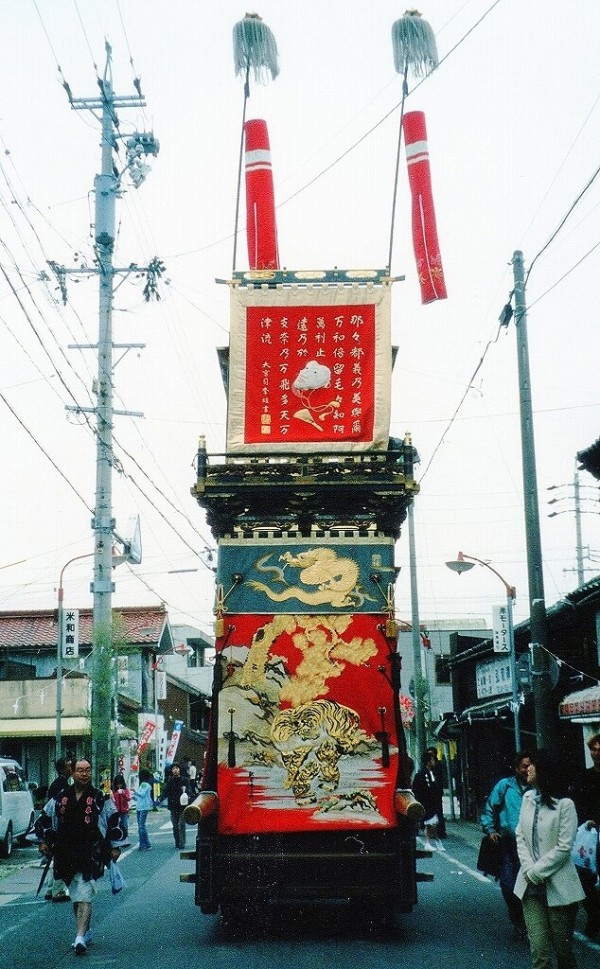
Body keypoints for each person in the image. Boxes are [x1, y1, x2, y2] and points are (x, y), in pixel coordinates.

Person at [35, 759, 124, 957]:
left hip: (90, 852)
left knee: (84, 892)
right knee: (76, 893)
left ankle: (79, 937)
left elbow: (113, 819)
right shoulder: (61, 797)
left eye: (87, 770)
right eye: (79, 770)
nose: (84, 774)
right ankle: (85, 931)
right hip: (65, 852)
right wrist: (44, 841)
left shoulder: (99, 797)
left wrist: (115, 846)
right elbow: (45, 818)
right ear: (73, 773)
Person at [515, 748, 585, 969]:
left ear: (544, 770)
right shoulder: (527, 798)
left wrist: (536, 871)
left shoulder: (565, 805)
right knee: (539, 952)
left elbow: (564, 848)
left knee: (563, 953)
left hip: (559, 887)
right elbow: (520, 835)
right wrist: (528, 869)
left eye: (532, 764)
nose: (528, 768)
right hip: (530, 887)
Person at [481, 750, 532, 936]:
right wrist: (490, 829)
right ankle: (517, 918)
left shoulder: (537, 788)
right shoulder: (505, 786)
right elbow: (489, 808)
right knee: (508, 884)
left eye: (530, 766)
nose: (527, 770)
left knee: (530, 885)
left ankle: (531, 923)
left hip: (532, 845)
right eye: (524, 766)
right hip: (509, 844)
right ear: (516, 767)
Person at [569, 731, 600, 938]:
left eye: (599, 749)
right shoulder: (584, 776)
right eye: (593, 749)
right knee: (585, 879)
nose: (596, 753)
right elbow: (576, 805)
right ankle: (594, 917)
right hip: (589, 837)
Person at [44, 757, 73, 902]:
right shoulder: (61, 785)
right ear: (62, 769)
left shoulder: (60, 783)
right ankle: (58, 891)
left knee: (57, 858)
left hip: (56, 826)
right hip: (59, 826)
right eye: (69, 766)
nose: (71, 768)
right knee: (62, 859)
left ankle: (51, 888)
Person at [413, 749, 445, 851]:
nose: (434, 762)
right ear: (428, 762)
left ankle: (437, 841)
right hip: (426, 802)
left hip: (433, 802)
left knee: (433, 824)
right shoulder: (421, 774)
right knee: (430, 823)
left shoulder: (432, 773)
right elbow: (417, 789)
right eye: (432, 760)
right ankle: (427, 843)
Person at [161, 763, 192, 849]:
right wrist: (160, 798)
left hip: (183, 805)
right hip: (173, 806)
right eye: (173, 768)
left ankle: (182, 843)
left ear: (179, 769)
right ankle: (177, 842)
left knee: (181, 824)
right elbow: (166, 791)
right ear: (171, 770)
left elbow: (189, 790)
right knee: (175, 825)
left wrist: (188, 794)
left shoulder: (185, 780)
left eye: (177, 768)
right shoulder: (170, 780)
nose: (175, 770)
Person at [426, 745, 447, 838]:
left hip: (436, 792)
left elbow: (439, 779)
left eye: (432, 754)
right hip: (431, 792)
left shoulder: (437, 765)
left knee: (438, 811)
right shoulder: (429, 766)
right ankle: (435, 832)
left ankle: (441, 832)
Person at [132, 770, 153, 850]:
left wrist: (134, 792)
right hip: (140, 806)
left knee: (141, 826)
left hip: (143, 807)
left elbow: (142, 794)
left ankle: (144, 844)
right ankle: (144, 844)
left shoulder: (144, 785)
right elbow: (140, 796)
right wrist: (134, 796)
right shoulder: (144, 785)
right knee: (141, 826)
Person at [111, 774, 131, 838]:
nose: (119, 785)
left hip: (124, 810)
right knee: (117, 825)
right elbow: (113, 800)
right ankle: (119, 838)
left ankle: (125, 838)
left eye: (120, 784)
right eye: (117, 784)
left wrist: (123, 793)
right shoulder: (114, 791)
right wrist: (117, 793)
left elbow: (128, 799)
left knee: (124, 825)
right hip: (116, 811)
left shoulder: (125, 790)